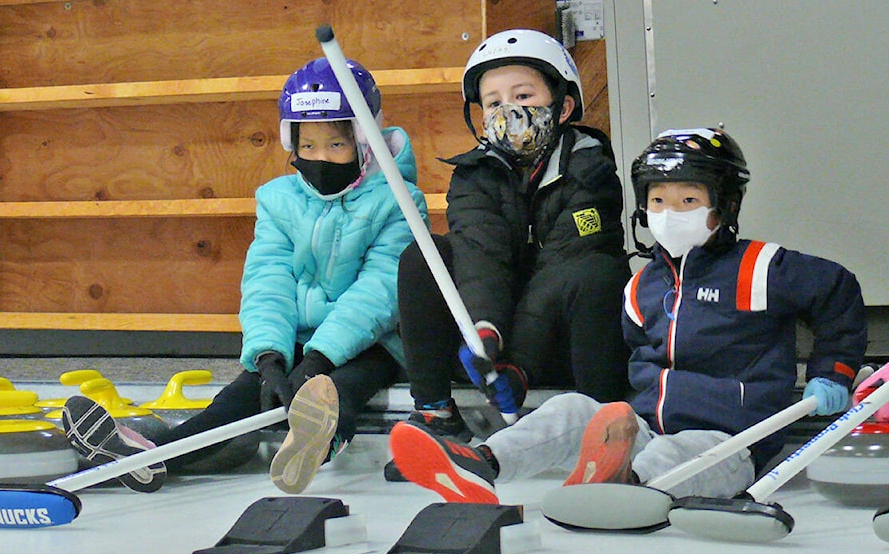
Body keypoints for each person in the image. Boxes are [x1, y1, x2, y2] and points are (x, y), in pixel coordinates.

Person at [388, 127, 868, 504]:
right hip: (650, 427)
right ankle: (480, 464)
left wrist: (835, 372)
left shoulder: (759, 267)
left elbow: (838, 291)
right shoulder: (642, 286)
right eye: (658, 200)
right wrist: (519, 371)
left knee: (668, 453)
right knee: (572, 410)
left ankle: (620, 486)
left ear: (726, 205)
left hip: (731, 443)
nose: (669, 212)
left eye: (688, 200)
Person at [62, 57, 426, 495]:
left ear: (363, 142)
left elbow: (380, 291)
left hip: (372, 342)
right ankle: (153, 458)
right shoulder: (278, 200)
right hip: (295, 339)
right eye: (307, 146)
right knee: (238, 400)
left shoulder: (398, 201)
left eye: (335, 145)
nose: (320, 158)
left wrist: (320, 358)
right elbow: (266, 279)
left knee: (335, 390)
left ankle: (317, 443)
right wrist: (270, 356)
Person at [391, 29, 632, 464]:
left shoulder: (591, 171)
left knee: (597, 272)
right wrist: (485, 331)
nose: (510, 112)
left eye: (523, 95)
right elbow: (481, 257)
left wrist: (520, 365)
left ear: (564, 107)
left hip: (561, 346)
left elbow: (562, 268)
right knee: (425, 257)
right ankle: (435, 414)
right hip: (490, 355)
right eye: (495, 102)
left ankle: (604, 422)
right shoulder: (473, 175)